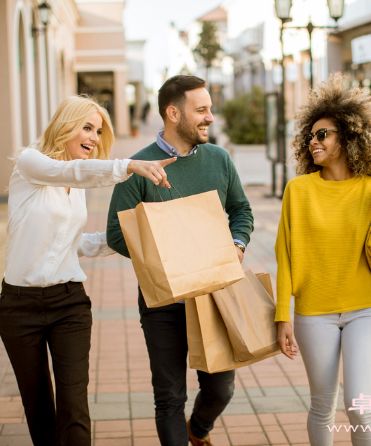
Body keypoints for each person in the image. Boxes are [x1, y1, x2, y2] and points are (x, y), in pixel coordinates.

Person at [0, 95, 175, 446]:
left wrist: (134, 235)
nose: (94, 138)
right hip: (19, 308)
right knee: (38, 408)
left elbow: (75, 243)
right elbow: (67, 172)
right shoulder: (30, 163)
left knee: (74, 405)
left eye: (98, 131)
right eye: (87, 127)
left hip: (69, 304)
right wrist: (128, 166)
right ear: (65, 125)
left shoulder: (75, 188)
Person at [106, 75, 254, 446]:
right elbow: (114, 233)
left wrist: (237, 244)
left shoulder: (219, 159)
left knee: (222, 389)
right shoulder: (137, 167)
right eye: (201, 110)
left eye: (210, 109)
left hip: (213, 295)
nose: (210, 117)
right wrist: (165, 257)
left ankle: (199, 430)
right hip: (163, 302)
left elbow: (241, 210)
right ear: (173, 113)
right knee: (169, 397)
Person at [275, 73, 371, 446]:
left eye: (323, 134)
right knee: (322, 405)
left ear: (349, 137)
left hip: (366, 308)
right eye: (310, 136)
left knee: (359, 403)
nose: (313, 142)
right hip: (314, 312)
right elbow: (286, 256)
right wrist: (283, 314)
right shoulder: (297, 190)